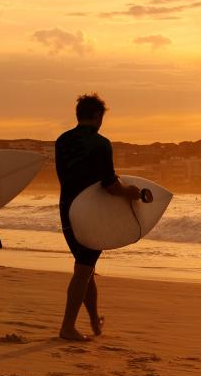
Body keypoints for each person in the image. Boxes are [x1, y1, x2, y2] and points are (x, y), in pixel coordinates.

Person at [55, 93, 141, 341]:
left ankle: (93, 320)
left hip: (66, 209)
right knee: (83, 269)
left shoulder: (62, 141)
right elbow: (110, 185)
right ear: (97, 116)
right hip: (91, 214)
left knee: (86, 267)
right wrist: (129, 193)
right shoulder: (101, 143)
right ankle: (67, 327)